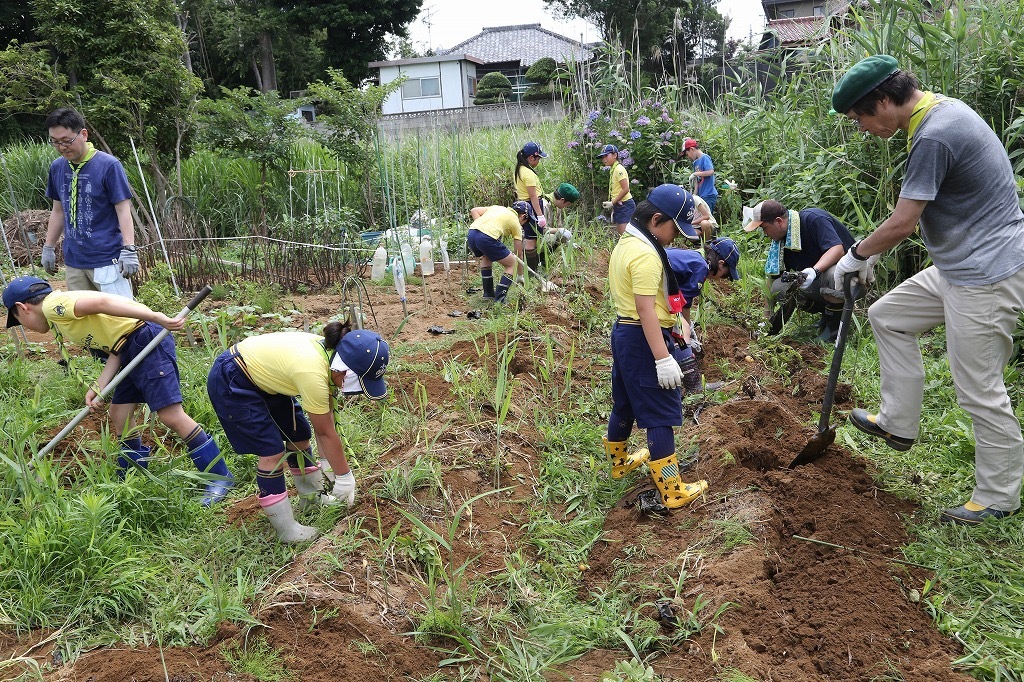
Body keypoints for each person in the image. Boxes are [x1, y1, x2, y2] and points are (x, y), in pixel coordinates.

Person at [830, 54, 1024, 525]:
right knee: (889, 315)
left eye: (860, 117)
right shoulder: (937, 114)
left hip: (986, 274)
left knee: (979, 388)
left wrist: (857, 254)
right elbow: (920, 215)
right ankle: (898, 423)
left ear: (882, 100)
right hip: (960, 266)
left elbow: (903, 222)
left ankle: (998, 497)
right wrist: (873, 252)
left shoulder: (935, 134)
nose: (862, 128)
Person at [3, 276, 232, 505]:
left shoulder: (54, 306)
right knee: (119, 413)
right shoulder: (59, 311)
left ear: (23, 308)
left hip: (145, 338)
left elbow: (103, 302)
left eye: (20, 322)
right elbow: (117, 344)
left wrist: (156, 317)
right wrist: (100, 385)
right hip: (129, 346)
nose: (26, 327)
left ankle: (219, 476)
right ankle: (132, 474)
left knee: (170, 414)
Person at [206, 324, 389, 543]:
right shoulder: (312, 371)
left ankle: (311, 499)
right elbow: (324, 433)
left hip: (268, 380)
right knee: (271, 452)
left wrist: (329, 465)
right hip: (234, 377)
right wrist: (344, 477)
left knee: (299, 435)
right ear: (345, 371)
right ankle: (286, 530)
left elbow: (326, 417)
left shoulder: (330, 358)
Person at [604, 184, 709, 511]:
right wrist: (663, 358)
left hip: (625, 332)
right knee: (661, 412)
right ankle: (673, 490)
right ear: (656, 219)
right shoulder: (646, 254)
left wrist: (680, 323)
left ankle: (619, 462)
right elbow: (647, 309)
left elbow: (657, 297)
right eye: (674, 229)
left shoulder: (630, 241)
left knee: (625, 401)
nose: (676, 238)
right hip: (643, 338)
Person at [42, 108, 139, 299]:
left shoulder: (108, 165)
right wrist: (48, 247)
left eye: (67, 140)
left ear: (83, 134)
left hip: (107, 260)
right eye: (55, 142)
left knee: (119, 320)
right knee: (84, 321)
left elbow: (123, 209)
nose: (62, 147)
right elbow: (58, 211)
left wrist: (129, 249)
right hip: (74, 261)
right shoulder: (57, 167)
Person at [743, 199, 857, 342]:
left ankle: (834, 331)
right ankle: (827, 315)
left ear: (779, 221)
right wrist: (766, 320)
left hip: (852, 278)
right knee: (779, 287)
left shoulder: (813, 219)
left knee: (832, 273)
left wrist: (815, 270)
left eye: (764, 228)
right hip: (820, 281)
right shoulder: (781, 242)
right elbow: (771, 279)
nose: (765, 233)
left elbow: (837, 250)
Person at [666, 237, 742, 393]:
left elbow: (682, 299)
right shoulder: (701, 267)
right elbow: (683, 305)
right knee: (681, 335)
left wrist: (688, 326)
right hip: (652, 289)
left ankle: (677, 366)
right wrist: (688, 332)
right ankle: (695, 386)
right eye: (725, 274)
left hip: (650, 288)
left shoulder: (695, 257)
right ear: (720, 264)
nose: (722, 279)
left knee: (679, 329)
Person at [467, 202, 533, 303]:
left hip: (472, 234)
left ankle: (488, 294)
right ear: (523, 216)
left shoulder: (496, 208)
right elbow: (518, 253)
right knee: (512, 264)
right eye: (526, 221)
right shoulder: (516, 222)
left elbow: (474, 210)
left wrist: (482, 228)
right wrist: (520, 275)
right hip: (486, 238)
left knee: (486, 257)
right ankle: (500, 299)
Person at [514, 142, 549, 275]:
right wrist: (540, 215)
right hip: (532, 206)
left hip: (525, 205)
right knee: (531, 240)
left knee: (529, 237)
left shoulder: (520, 169)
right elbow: (533, 196)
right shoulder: (528, 173)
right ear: (531, 158)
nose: (539, 161)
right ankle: (532, 272)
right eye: (538, 158)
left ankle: (529, 270)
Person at [538, 183, 581, 264]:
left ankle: (544, 259)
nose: (567, 206)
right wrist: (559, 230)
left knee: (563, 235)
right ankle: (538, 260)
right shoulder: (543, 205)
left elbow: (559, 225)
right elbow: (541, 230)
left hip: (545, 235)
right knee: (551, 238)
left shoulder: (557, 206)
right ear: (562, 200)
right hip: (533, 237)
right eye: (567, 204)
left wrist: (569, 242)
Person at [597, 144, 635, 234]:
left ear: (615, 155)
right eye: (602, 157)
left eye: (606, 155)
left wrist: (612, 203)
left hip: (625, 205)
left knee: (625, 236)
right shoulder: (613, 169)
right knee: (621, 234)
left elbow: (625, 189)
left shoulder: (619, 169)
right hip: (619, 205)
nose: (604, 159)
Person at [683, 138, 719, 216]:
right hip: (701, 196)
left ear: (692, 149)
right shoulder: (695, 163)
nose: (688, 157)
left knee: (708, 218)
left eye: (687, 154)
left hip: (709, 194)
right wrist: (694, 196)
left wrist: (696, 173)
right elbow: (697, 181)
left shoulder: (704, 158)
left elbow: (710, 171)